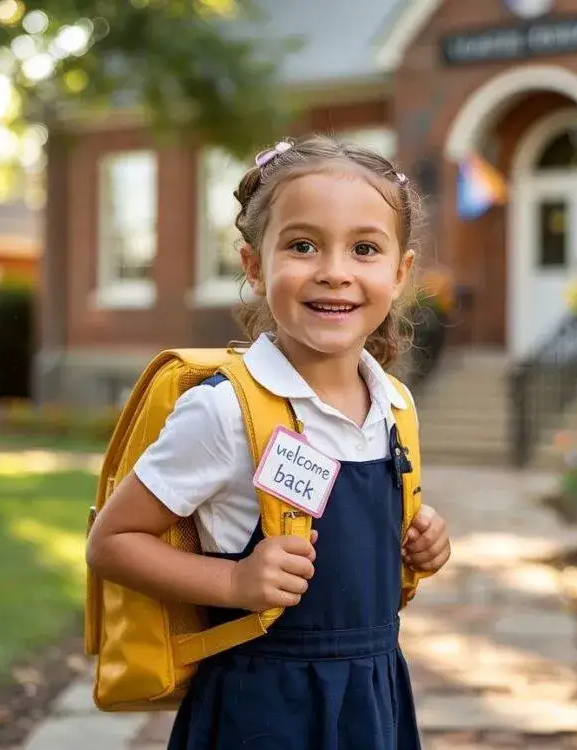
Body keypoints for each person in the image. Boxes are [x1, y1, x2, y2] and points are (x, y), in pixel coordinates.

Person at [85, 134, 452, 749]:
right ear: (254, 265)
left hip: (370, 702)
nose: (334, 271)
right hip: (261, 713)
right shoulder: (225, 409)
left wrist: (420, 540)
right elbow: (111, 543)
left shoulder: (394, 405)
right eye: (302, 245)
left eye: (364, 248)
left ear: (400, 272)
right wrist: (233, 585)